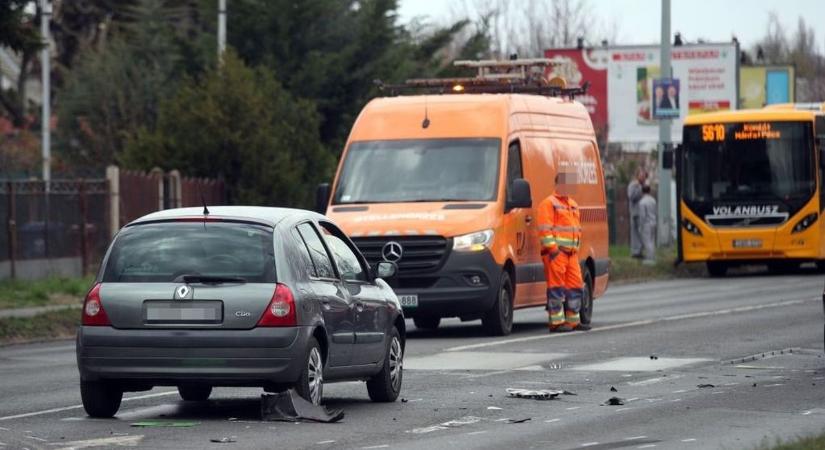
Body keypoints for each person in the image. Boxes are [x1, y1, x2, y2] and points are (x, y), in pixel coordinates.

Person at [537, 171, 588, 332]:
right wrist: (553, 251)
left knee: (576, 287)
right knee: (556, 288)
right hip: (556, 254)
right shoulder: (548, 203)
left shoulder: (572, 204)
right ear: (558, 185)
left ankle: (573, 320)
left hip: (571, 254)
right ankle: (556, 322)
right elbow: (545, 229)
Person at [627, 167, 647, 259]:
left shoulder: (644, 186)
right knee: (636, 233)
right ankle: (635, 251)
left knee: (642, 232)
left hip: (643, 213)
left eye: (644, 176)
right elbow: (631, 197)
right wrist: (640, 190)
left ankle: (640, 251)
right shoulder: (633, 185)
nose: (643, 177)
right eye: (641, 175)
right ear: (637, 176)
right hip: (636, 212)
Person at [639, 184, 657, 265]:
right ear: (649, 191)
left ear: (642, 192)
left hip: (646, 223)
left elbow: (642, 216)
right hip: (653, 222)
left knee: (647, 241)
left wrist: (641, 226)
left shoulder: (642, 202)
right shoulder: (653, 200)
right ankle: (652, 256)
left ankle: (650, 259)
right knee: (652, 240)